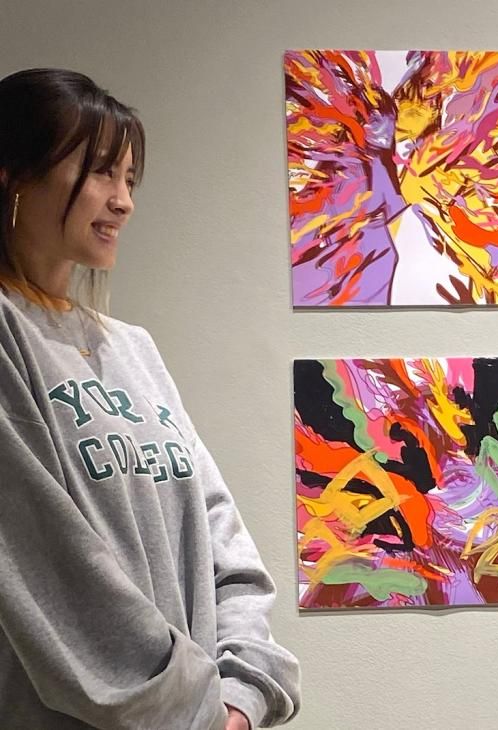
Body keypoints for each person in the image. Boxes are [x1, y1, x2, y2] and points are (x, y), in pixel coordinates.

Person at [0, 68, 301, 730]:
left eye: (130, 179)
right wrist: (198, 709)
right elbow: (50, 572)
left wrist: (244, 693)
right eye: (102, 172)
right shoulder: (7, 335)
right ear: (14, 172)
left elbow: (220, 533)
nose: (123, 201)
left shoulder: (132, 347)